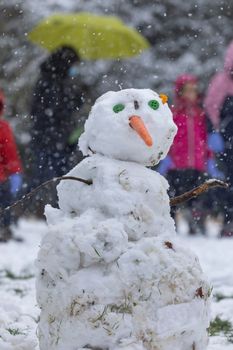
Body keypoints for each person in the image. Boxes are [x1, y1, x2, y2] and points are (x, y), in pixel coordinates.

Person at [158, 74, 222, 234]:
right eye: (187, 90)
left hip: (198, 163)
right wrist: (166, 157)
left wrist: (210, 156)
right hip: (176, 165)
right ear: (180, 92)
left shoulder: (201, 114)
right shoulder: (173, 114)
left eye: (193, 90)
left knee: (198, 195)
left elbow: (206, 136)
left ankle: (196, 221)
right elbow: (167, 136)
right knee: (173, 196)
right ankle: (169, 225)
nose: (191, 94)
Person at [30, 46, 85, 186]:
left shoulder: (58, 80)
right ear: (67, 63)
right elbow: (55, 110)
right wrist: (74, 100)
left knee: (55, 180)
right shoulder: (52, 82)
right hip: (51, 140)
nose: (75, 69)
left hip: (57, 139)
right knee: (51, 182)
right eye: (74, 64)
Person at [204, 40, 233, 236]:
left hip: (226, 136)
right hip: (228, 140)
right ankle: (228, 219)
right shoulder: (221, 81)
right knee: (228, 180)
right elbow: (211, 106)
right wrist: (217, 129)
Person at [0, 89, 23, 241]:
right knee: (4, 202)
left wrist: (14, 171)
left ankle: (5, 228)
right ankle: (4, 228)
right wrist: (14, 171)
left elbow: (9, 153)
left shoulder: (3, 128)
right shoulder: (2, 127)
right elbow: (10, 153)